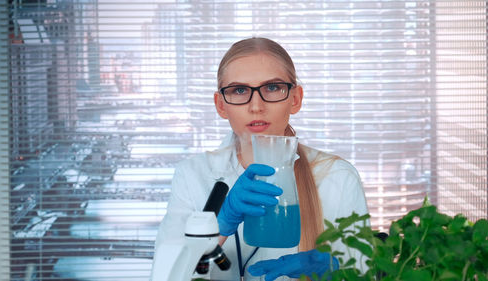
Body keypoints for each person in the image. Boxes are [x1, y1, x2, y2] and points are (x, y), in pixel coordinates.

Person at [154, 37, 369, 281]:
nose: (256, 106)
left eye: (272, 88)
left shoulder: (337, 177)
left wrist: (341, 272)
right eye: (239, 90)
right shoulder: (192, 175)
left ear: (295, 98)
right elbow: (165, 276)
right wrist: (218, 226)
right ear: (221, 105)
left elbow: (365, 272)